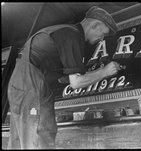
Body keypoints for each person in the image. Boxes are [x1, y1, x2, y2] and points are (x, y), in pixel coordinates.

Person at [7, 6, 120, 149]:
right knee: (40, 137)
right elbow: (76, 82)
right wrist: (105, 72)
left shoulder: (64, 32)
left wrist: (95, 73)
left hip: (22, 85)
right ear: (94, 25)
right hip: (30, 85)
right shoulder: (72, 35)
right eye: (102, 34)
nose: (101, 39)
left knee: (20, 140)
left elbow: (64, 79)